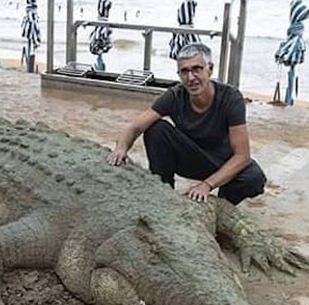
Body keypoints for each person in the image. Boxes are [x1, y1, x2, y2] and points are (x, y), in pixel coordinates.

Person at [106, 43, 266, 205]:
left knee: (253, 178)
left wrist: (207, 185)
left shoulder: (230, 98)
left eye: (197, 69)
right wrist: (121, 148)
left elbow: (242, 155)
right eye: (184, 71)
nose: (191, 78)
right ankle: (162, 192)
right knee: (156, 129)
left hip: (221, 161)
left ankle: (221, 204)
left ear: (210, 69)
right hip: (190, 156)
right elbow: (135, 126)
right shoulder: (175, 95)